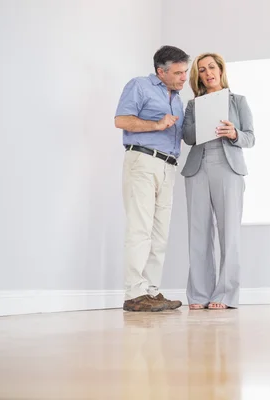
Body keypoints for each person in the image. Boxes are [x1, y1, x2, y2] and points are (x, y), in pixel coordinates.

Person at [114, 45, 190, 312]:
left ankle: (151, 291)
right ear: (161, 71)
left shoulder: (177, 99)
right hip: (143, 161)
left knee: (160, 233)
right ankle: (134, 294)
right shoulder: (139, 86)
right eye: (179, 72)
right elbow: (122, 120)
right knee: (140, 228)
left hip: (169, 166)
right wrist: (156, 124)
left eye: (185, 72)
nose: (184, 78)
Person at [181, 53, 255, 309]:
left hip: (228, 167)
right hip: (198, 167)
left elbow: (250, 138)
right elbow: (188, 137)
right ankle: (199, 295)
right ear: (198, 76)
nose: (208, 73)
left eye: (212, 67)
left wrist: (234, 133)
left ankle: (225, 295)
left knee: (229, 232)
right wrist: (202, 118)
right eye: (201, 70)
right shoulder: (192, 105)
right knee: (198, 232)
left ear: (221, 70)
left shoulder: (238, 101)